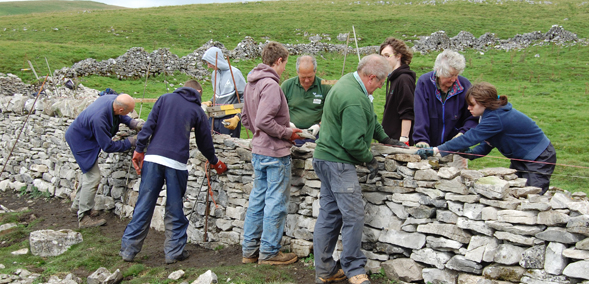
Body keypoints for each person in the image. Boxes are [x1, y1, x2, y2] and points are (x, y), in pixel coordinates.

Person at [313, 54, 406, 284]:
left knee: (329, 214)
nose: (379, 88)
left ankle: (325, 270)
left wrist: (385, 138)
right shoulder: (354, 98)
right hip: (338, 162)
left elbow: (369, 118)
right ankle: (354, 270)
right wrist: (370, 160)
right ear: (371, 77)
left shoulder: (350, 82)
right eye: (380, 83)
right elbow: (352, 142)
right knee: (353, 215)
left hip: (325, 158)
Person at [120, 80, 228, 264]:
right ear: (199, 91)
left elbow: (148, 126)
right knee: (175, 207)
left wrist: (139, 150)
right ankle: (173, 252)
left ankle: (129, 250)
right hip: (176, 163)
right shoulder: (196, 110)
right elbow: (204, 142)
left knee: (144, 205)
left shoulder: (164, 99)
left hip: (153, 159)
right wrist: (214, 161)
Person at [416, 82, 556, 194]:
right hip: (522, 157)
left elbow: (470, 137)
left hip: (539, 157)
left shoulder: (496, 117)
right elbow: (488, 143)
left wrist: (436, 150)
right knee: (518, 193)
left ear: (484, 103)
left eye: (472, 104)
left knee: (533, 196)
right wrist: (471, 154)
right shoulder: (490, 115)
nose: (469, 108)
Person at [240, 42, 301, 266]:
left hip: (258, 150)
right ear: (278, 61)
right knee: (276, 202)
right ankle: (269, 252)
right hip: (275, 152)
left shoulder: (250, 84)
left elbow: (247, 119)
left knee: (257, 201)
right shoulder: (272, 86)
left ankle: (250, 251)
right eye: (285, 63)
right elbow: (263, 120)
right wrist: (288, 133)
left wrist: (259, 133)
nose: (285, 68)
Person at [65, 93, 141, 228]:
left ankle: (77, 205)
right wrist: (130, 142)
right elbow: (107, 146)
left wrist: (131, 122)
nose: (129, 114)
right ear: (121, 109)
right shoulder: (99, 119)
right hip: (81, 142)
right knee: (93, 176)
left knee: (88, 173)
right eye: (129, 112)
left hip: (84, 136)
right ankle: (84, 217)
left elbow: (120, 115)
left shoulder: (112, 100)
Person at [413, 49, 479, 148]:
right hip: (429, 145)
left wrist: (462, 134)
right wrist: (421, 139)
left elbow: (473, 117)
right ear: (438, 71)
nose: (454, 79)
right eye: (450, 75)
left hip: (456, 147)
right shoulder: (424, 83)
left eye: (456, 75)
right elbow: (420, 114)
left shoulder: (465, 86)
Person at [281, 55, 332, 146]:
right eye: (303, 77)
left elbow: (331, 112)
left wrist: (319, 125)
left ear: (315, 71)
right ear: (297, 72)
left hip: (317, 135)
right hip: (293, 133)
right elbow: (278, 110)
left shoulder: (325, 87)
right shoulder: (287, 86)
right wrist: (287, 123)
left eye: (310, 77)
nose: (307, 80)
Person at [201, 46, 246, 137]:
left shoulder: (235, 73)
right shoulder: (215, 74)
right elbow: (217, 95)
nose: (208, 66)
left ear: (216, 60)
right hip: (214, 117)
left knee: (229, 148)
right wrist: (210, 101)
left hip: (229, 118)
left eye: (210, 63)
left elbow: (245, 98)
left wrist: (237, 117)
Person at [379, 37, 416, 146]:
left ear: (398, 56)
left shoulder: (404, 79)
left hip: (397, 143)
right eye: (382, 56)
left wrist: (403, 141)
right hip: (390, 141)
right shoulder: (393, 79)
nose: (383, 60)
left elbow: (407, 112)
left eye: (387, 56)